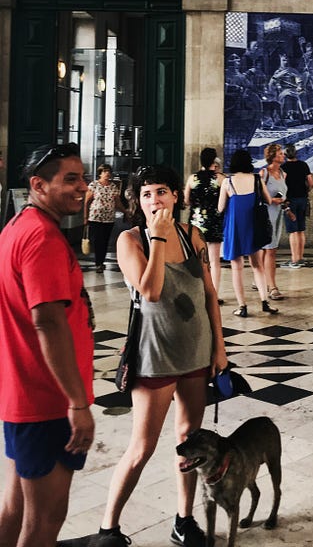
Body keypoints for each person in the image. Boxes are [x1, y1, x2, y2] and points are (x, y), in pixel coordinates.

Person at [91, 165, 226, 547]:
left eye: (162, 192)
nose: (155, 200)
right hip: (155, 353)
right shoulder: (131, 240)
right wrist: (158, 239)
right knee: (142, 448)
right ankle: (108, 528)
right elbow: (150, 292)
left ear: (175, 196)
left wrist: (219, 346)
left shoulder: (193, 235)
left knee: (189, 440)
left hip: (196, 352)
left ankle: (183, 520)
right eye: (147, 194)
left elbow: (209, 295)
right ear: (137, 201)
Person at [0, 143, 94, 547]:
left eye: (82, 177)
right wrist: (77, 403)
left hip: (24, 396)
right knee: (44, 523)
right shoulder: (43, 240)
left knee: (15, 509)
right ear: (38, 185)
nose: (82, 187)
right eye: (70, 179)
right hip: (48, 402)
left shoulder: (18, 226)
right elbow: (48, 322)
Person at [218, 150, 276, 317]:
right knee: (257, 266)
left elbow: (221, 208)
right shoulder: (257, 179)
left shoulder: (228, 182)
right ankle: (265, 301)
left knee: (237, 267)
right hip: (253, 226)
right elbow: (268, 200)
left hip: (234, 227)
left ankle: (242, 306)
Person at [184, 149, 225, 302]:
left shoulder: (192, 178)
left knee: (197, 259)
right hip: (214, 221)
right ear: (214, 161)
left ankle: (198, 291)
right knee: (214, 261)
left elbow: (186, 200)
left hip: (196, 223)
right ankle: (214, 294)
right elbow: (224, 201)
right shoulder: (220, 179)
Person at [257, 144, 289, 302]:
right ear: (273, 156)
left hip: (278, 215)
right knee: (270, 251)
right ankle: (272, 287)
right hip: (266, 215)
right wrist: (271, 200)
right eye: (280, 153)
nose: (283, 155)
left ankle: (261, 278)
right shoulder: (264, 173)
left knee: (268, 250)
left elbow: (284, 196)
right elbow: (258, 195)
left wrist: (286, 206)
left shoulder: (283, 174)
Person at [83, 164, 123, 272]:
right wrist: (85, 217)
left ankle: (101, 261)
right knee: (97, 240)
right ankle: (98, 263)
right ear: (100, 173)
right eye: (105, 171)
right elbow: (87, 202)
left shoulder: (113, 186)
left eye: (109, 172)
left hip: (109, 218)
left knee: (105, 241)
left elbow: (117, 202)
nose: (107, 174)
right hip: (95, 217)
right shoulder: (94, 185)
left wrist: (125, 212)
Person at [280, 145, 313, 269]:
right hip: (303, 199)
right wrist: (305, 192)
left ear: (285, 154)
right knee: (300, 230)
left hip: (290, 201)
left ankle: (294, 260)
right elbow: (311, 183)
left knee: (292, 231)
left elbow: (281, 185)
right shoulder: (303, 165)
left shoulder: (283, 168)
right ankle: (300, 257)